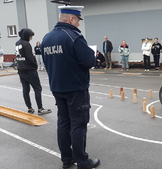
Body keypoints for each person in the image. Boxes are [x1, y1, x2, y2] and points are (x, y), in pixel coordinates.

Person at [40, 6, 100, 169]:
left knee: (63, 123)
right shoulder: (74, 36)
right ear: (71, 19)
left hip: (57, 87)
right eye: (78, 21)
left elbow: (46, 62)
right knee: (78, 124)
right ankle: (82, 161)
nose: (79, 25)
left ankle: (67, 159)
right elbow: (89, 62)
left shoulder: (47, 38)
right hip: (75, 88)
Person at [15, 28, 52, 115]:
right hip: (29, 70)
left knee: (25, 89)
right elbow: (30, 58)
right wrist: (35, 66)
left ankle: (29, 108)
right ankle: (40, 108)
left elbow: (18, 58)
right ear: (27, 35)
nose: (31, 38)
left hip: (21, 70)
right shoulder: (26, 44)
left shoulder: (17, 43)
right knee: (37, 88)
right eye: (30, 36)